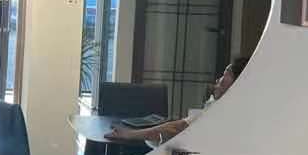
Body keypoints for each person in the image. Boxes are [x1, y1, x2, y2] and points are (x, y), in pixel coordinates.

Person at [105, 57, 249, 144]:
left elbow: (177, 127)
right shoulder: (229, 107)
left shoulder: (224, 113)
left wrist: (130, 134)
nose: (218, 80)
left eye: (225, 74)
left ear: (239, 82)